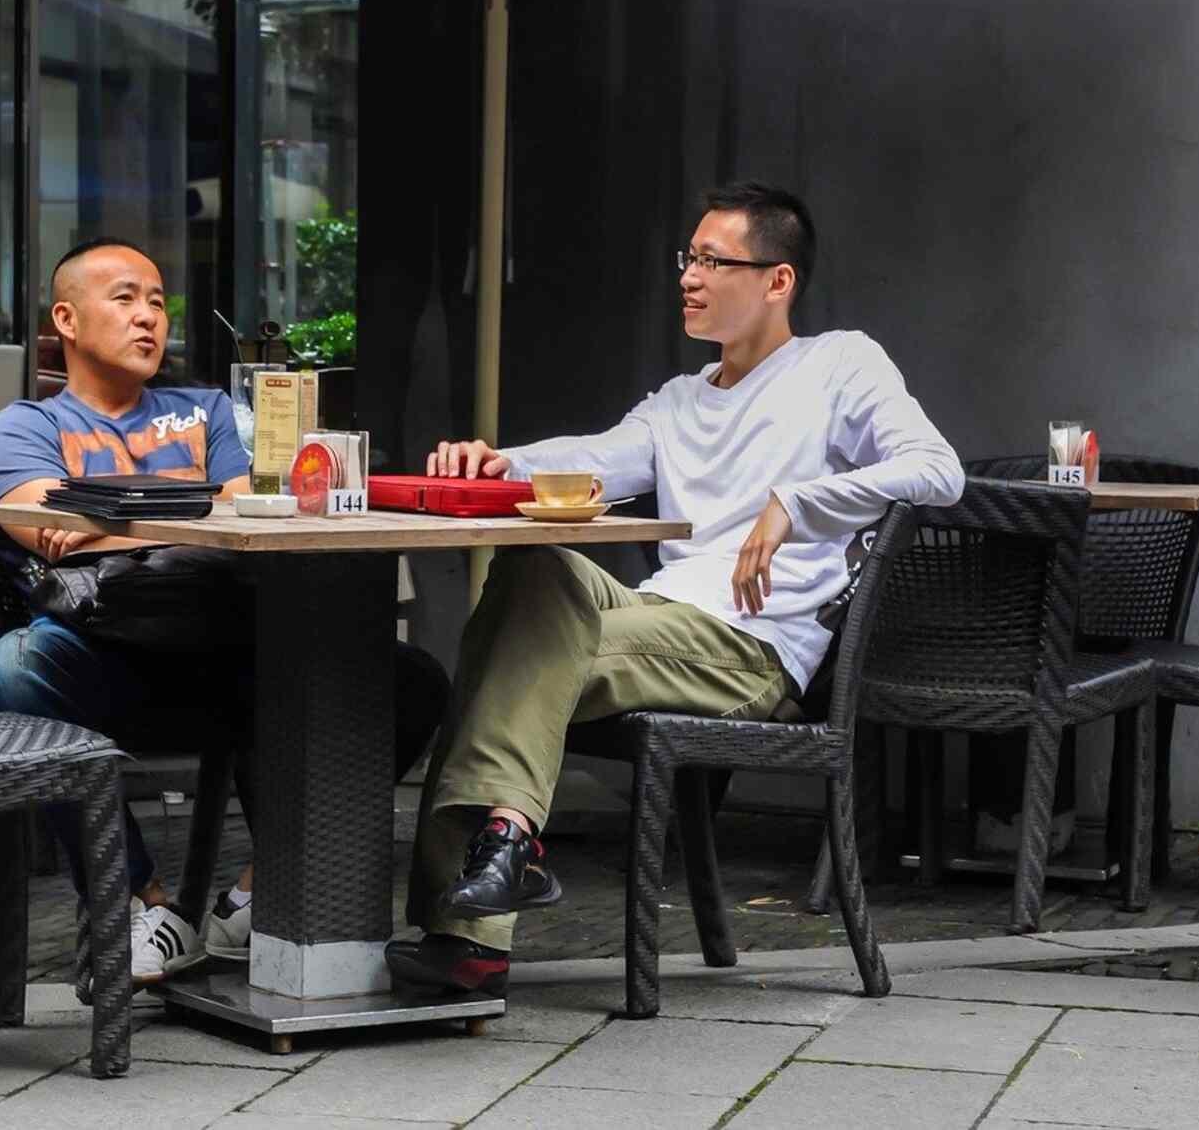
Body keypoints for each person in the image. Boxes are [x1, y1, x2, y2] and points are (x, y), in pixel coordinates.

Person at [388, 182, 966, 998]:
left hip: (752, 648)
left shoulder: (840, 363)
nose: (689, 277)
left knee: (502, 655)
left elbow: (937, 470)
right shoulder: (679, 400)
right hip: (657, 618)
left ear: (777, 281)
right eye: (687, 258)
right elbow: (598, 456)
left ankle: (471, 934)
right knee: (533, 565)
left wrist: (798, 501)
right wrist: (501, 463)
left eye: (713, 260)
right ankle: (508, 844)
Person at [0, 237, 448, 984]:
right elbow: (43, 526)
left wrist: (111, 513)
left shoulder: (207, 411)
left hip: (240, 655)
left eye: (158, 302)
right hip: (110, 666)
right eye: (125, 298)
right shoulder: (26, 426)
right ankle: (143, 906)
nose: (148, 318)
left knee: (411, 679)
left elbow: (259, 499)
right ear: (65, 318)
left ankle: (260, 897)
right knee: (14, 666)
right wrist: (196, 500)